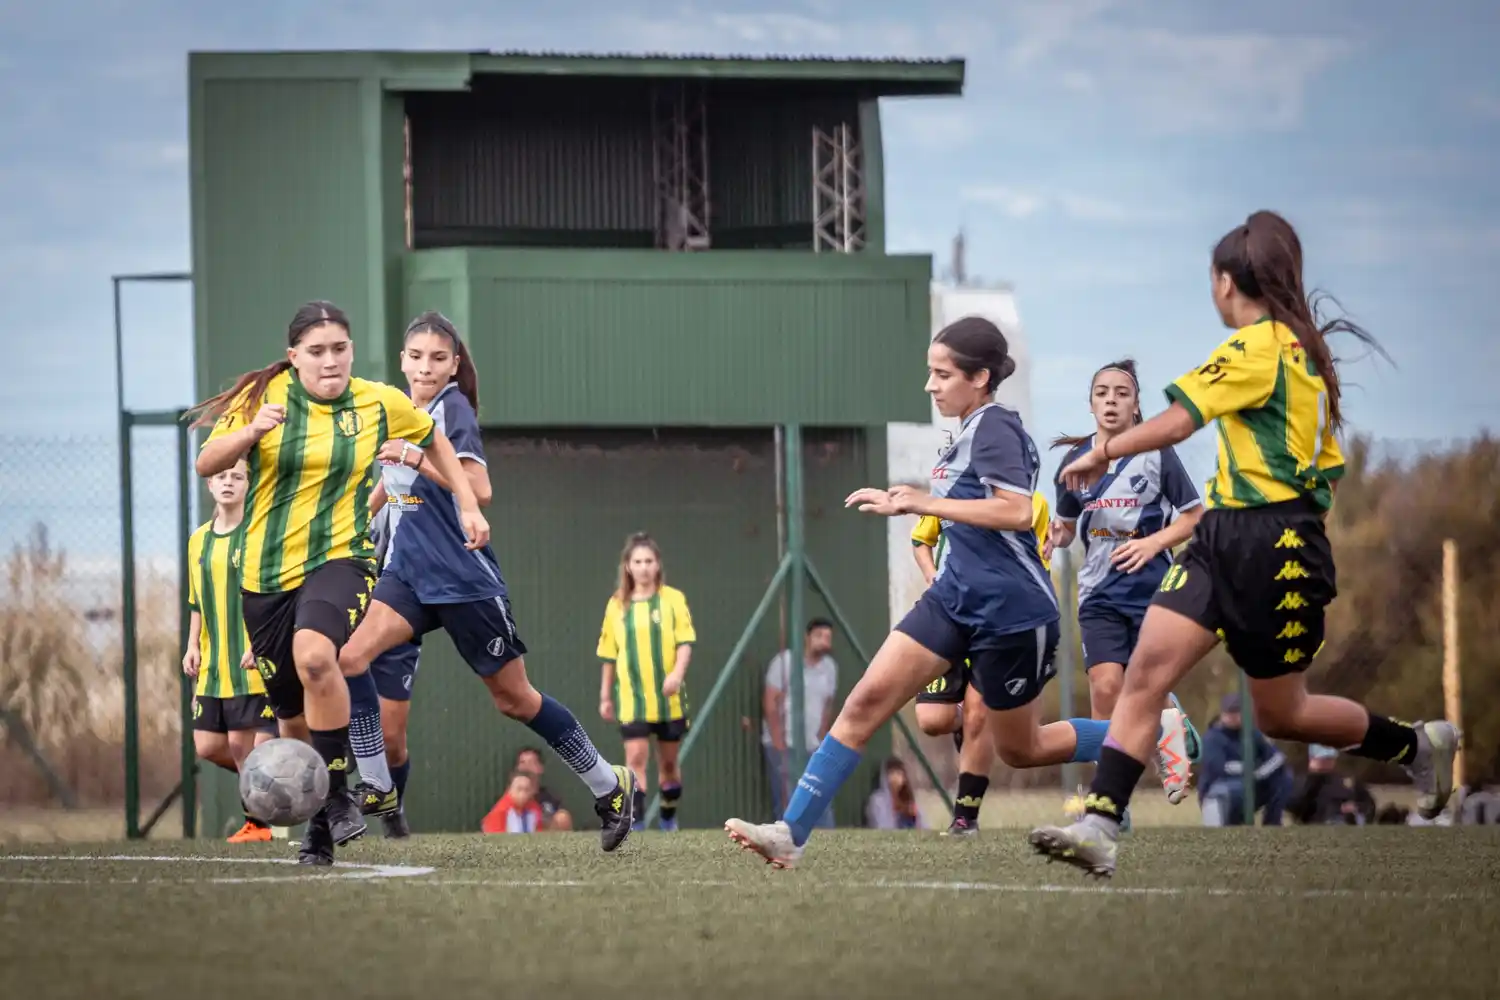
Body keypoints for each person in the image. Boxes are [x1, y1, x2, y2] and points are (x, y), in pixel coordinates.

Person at [1029, 211, 1460, 878]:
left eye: (1212, 279)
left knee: (1284, 712)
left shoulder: (1260, 347)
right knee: (1145, 672)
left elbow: (1175, 421)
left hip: (1276, 543)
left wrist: (1102, 451)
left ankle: (1414, 743)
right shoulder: (1293, 350)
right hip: (1223, 535)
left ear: (1226, 283)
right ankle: (1101, 822)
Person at [724, 316, 1111, 868]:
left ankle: (1144, 730)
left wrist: (922, 502)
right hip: (953, 599)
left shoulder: (997, 425)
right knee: (864, 703)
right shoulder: (966, 430)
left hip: (1012, 612)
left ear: (979, 377)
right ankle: (792, 834)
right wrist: (911, 501)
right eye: (929, 372)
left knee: (1022, 748)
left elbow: (1017, 510)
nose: (930, 385)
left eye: (942, 374)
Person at [188, 300, 490, 866]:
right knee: (292, 721)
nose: (332, 361)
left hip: (341, 560)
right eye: (318, 351)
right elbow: (208, 461)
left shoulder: (379, 401)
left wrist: (469, 506)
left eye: (340, 349)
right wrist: (250, 431)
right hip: (265, 575)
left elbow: (436, 442)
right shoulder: (265, 400)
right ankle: (323, 828)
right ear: (294, 357)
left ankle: (342, 794)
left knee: (317, 657)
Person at [338, 311, 636, 852]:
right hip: (407, 574)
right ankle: (378, 785)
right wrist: (361, 513)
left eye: (437, 358)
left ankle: (610, 787)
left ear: (454, 365)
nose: (425, 367)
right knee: (349, 658)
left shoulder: (451, 410)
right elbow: (394, 485)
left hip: (462, 579)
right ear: (402, 360)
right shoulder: (401, 408)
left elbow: (478, 485)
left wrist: (413, 455)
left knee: (515, 700)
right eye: (416, 356)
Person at [1049, 358, 1205, 809]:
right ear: (1091, 403)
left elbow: (1195, 517)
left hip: (1154, 592)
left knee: (1144, 686)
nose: (1111, 401)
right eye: (1102, 393)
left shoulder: (1157, 453)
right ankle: (1110, 804)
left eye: (1122, 393)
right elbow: (1064, 526)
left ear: (1137, 406)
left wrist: (1153, 543)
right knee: (1104, 689)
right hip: (1098, 595)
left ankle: (1167, 738)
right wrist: (1050, 537)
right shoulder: (1075, 461)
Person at [910, 489, 1051, 835]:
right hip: (948, 616)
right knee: (932, 719)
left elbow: (1039, 565)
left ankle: (964, 817)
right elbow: (920, 540)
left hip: (1001, 622)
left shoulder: (1033, 503)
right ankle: (968, 722)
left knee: (981, 715)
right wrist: (932, 577)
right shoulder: (949, 493)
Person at [182, 458, 277, 843]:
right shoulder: (198, 540)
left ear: (248, 485)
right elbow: (195, 601)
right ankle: (278, 783)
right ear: (209, 485)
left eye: (237, 477)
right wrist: (191, 645)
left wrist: (261, 641)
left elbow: (269, 595)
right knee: (207, 746)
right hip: (212, 662)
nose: (228, 483)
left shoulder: (257, 536)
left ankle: (258, 825)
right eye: (221, 477)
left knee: (243, 743)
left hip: (249, 658)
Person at [597, 532, 696, 832]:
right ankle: (637, 825)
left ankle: (668, 817)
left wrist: (677, 675)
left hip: (668, 700)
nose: (643, 567)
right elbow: (608, 654)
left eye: (648, 561)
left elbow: (685, 642)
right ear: (627, 566)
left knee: (668, 765)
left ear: (657, 565)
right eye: (637, 561)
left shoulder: (673, 599)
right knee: (635, 758)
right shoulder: (616, 605)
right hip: (632, 698)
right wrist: (605, 696)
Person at [762, 619, 840, 825]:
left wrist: (823, 739)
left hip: (813, 746)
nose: (824, 642)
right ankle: (788, 846)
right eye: (819, 636)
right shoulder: (785, 662)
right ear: (807, 637)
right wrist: (778, 744)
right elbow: (770, 703)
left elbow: (827, 706)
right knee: (788, 803)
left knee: (820, 800)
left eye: (828, 638)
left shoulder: (830, 668)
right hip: (784, 745)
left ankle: (826, 844)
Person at [1197, 692, 1292, 826]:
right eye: (1229, 712)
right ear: (1222, 714)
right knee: (1236, 787)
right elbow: (1219, 768)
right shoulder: (1212, 737)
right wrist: (1252, 769)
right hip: (1218, 789)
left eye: (1237, 712)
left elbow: (1275, 757)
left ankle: (1272, 824)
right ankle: (1222, 823)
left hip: (1250, 785)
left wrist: (1262, 771)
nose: (1232, 717)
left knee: (1284, 779)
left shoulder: (1252, 734)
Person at [1287, 742, 1376, 826]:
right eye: (1322, 759)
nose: (1327, 762)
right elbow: (1294, 805)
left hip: (1348, 823)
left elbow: (1369, 804)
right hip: (1323, 822)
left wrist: (1356, 807)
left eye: (1329, 758)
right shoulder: (1303, 782)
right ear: (1312, 759)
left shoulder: (1346, 781)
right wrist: (1313, 779)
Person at [515, 746, 574, 831]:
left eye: (531, 763)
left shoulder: (549, 797)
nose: (526, 768)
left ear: (540, 768)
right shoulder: (509, 798)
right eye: (522, 763)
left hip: (544, 839)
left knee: (563, 817)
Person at [864, 758, 924, 830]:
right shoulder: (877, 800)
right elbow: (881, 827)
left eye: (899, 773)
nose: (895, 778)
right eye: (892, 773)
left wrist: (914, 817)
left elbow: (924, 826)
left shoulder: (909, 799)